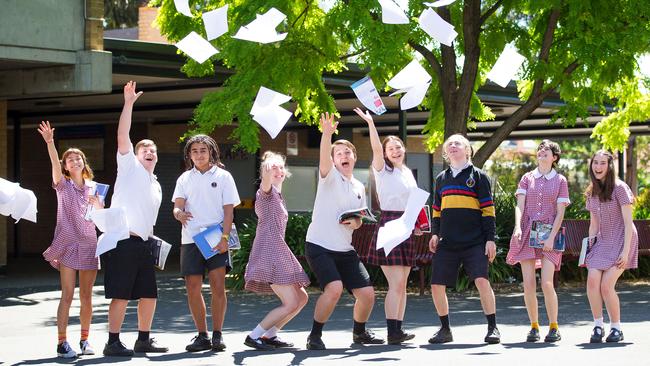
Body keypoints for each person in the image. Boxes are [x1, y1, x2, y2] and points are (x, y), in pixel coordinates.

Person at [304, 112, 384, 350]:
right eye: (338, 153)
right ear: (334, 160)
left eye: (347, 152)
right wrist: (327, 134)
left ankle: (359, 334)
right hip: (319, 245)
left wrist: (358, 223)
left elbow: (357, 216)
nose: (344, 155)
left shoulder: (359, 185)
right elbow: (324, 158)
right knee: (335, 288)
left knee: (368, 294)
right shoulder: (328, 177)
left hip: (345, 248)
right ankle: (314, 336)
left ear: (354, 157)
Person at [100, 81, 168, 357]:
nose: (150, 152)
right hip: (122, 242)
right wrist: (128, 103)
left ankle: (143, 339)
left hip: (144, 244)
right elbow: (122, 134)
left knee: (149, 295)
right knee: (121, 295)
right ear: (135, 155)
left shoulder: (156, 183)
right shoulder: (129, 168)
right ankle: (112, 342)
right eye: (144, 149)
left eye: (153, 150)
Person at [354, 108, 419, 345]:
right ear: (385, 152)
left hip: (407, 225)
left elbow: (413, 201)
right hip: (390, 223)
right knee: (396, 284)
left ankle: (397, 330)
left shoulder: (407, 173)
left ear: (404, 149)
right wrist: (371, 123)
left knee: (403, 286)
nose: (395, 150)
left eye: (398, 146)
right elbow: (374, 148)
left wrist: (417, 223)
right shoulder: (382, 170)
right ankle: (393, 331)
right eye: (390, 148)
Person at [428, 133, 500, 344]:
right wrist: (434, 233)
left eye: (458, 143)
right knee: (436, 285)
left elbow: (488, 210)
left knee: (482, 281)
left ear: (468, 149)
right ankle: (444, 329)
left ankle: (493, 327)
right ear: (445, 152)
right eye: (449, 144)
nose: (453, 146)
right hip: (447, 243)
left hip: (475, 242)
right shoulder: (441, 179)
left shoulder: (479, 176)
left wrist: (490, 239)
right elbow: (436, 211)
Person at [39, 121, 102, 358]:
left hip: (89, 244)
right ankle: (62, 342)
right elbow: (54, 163)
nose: (75, 161)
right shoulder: (62, 186)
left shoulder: (95, 187)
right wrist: (50, 143)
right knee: (67, 294)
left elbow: (102, 218)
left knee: (87, 296)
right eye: (70, 160)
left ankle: (85, 340)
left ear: (84, 163)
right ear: (66, 167)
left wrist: (100, 205)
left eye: (78, 158)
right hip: (67, 243)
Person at [172, 134, 241, 352]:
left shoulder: (224, 176)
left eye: (203, 150)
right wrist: (178, 214)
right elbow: (177, 206)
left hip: (215, 237)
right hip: (190, 239)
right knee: (192, 288)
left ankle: (218, 335)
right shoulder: (184, 178)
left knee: (218, 286)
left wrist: (224, 239)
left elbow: (229, 211)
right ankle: (202, 335)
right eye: (194, 151)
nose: (199, 154)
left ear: (211, 152)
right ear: (189, 155)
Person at [243, 151, 310, 350]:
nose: (278, 171)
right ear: (266, 171)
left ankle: (270, 335)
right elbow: (264, 185)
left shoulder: (278, 196)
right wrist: (267, 170)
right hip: (269, 254)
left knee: (302, 298)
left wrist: (272, 169)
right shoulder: (265, 194)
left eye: (281, 167)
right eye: (274, 168)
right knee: (290, 303)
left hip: (279, 252)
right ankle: (253, 336)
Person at [506, 140, 570, 342]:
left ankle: (554, 326)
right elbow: (519, 206)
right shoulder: (527, 177)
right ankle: (534, 326)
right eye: (540, 149)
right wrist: (517, 226)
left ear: (555, 157)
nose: (542, 152)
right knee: (528, 284)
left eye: (547, 150)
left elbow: (560, 213)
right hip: (527, 232)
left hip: (551, 233)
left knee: (547, 283)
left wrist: (551, 238)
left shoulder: (560, 180)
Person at [584, 150, 639, 343]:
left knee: (606, 286)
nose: (598, 167)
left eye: (602, 163)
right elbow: (593, 225)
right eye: (595, 163)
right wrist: (589, 250)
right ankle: (598, 326)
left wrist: (625, 252)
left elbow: (627, 223)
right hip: (603, 241)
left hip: (623, 239)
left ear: (609, 166)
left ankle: (616, 328)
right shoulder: (592, 191)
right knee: (592, 281)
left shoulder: (620, 188)